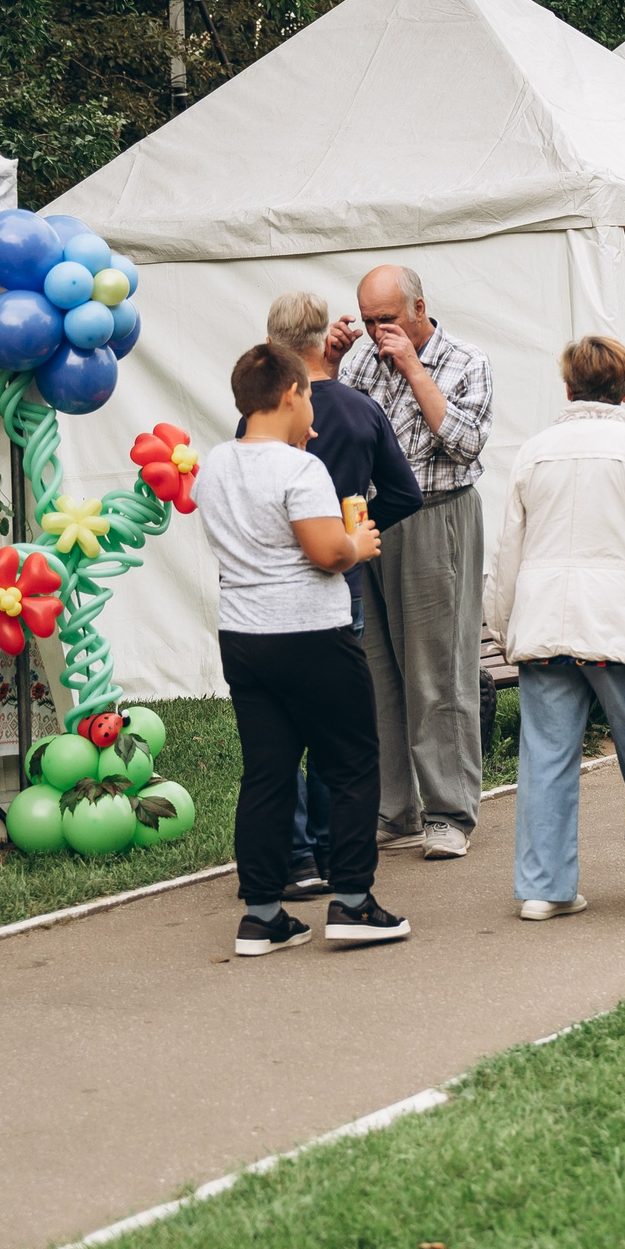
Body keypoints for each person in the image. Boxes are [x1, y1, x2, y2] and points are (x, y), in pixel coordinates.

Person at [488, 336, 625, 919]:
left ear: (567, 387)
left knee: (544, 758)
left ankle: (544, 886)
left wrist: (501, 622)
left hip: (543, 620)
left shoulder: (534, 451)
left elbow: (508, 549)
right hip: (616, 624)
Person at [203, 343, 410, 956]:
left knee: (267, 772)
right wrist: (357, 543)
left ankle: (263, 914)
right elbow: (326, 554)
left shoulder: (215, 462)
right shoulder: (302, 470)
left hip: (244, 637)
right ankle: (352, 901)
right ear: (292, 392)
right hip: (312, 636)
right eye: (311, 395)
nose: (312, 408)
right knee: (350, 763)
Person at [326, 265, 493, 860]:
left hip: (434, 515)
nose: (376, 332)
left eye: (387, 320)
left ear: (420, 308)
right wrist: (328, 365)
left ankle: (450, 811)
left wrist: (413, 368)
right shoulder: (360, 360)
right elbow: (331, 431)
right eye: (368, 320)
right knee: (376, 669)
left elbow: (465, 442)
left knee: (437, 669)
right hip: (366, 519)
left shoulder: (465, 361)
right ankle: (394, 809)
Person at [260, 292, 422, 900]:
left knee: (279, 725)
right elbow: (405, 495)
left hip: (275, 585)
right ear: (323, 336)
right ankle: (330, 850)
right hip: (341, 585)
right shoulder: (359, 410)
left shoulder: (264, 418)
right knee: (334, 723)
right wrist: (359, 527)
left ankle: (296, 854)